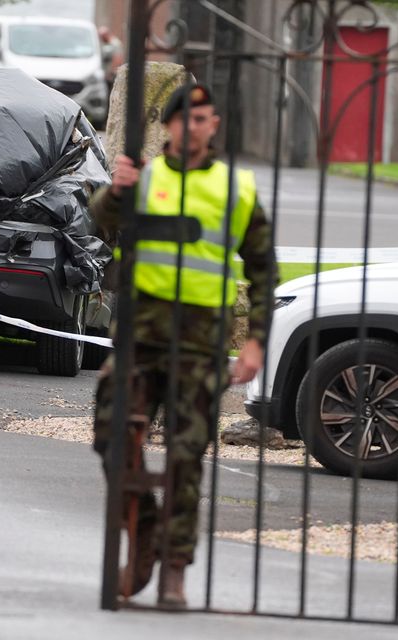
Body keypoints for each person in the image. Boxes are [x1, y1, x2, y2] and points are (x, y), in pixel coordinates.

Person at [91, 83, 278, 607]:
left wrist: (256, 342)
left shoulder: (234, 187)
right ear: (169, 125)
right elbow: (101, 226)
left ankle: (173, 568)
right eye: (184, 117)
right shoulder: (143, 178)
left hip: (198, 344)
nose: (193, 126)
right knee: (111, 435)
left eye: (203, 118)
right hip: (138, 340)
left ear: (213, 124)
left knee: (185, 455)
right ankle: (144, 528)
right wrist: (114, 192)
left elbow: (264, 268)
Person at [97, 26, 124, 94]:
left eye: (102, 37)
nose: (101, 39)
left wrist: (111, 73)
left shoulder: (115, 44)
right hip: (107, 74)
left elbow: (117, 58)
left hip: (111, 75)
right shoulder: (107, 44)